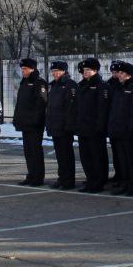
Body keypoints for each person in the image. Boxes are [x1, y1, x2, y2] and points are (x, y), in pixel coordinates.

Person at [106, 61, 133, 196]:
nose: (119, 75)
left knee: (130, 159)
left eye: (122, 73)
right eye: (119, 73)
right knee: (122, 160)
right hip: (117, 130)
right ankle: (124, 183)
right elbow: (113, 110)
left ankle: (132, 186)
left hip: (129, 132)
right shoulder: (118, 88)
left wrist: (132, 130)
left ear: (129, 75)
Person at [74, 58, 110, 193]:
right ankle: (90, 180)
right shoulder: (82, 85)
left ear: (95, 70)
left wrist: (100, 127)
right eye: (84, 70)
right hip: (83, 128)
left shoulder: (101, 86)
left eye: (88, 70)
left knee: (97, 156)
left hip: (95, 128)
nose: (85, 72)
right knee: (86, 157)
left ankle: (98, 182)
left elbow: (103, 109)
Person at [12, 57, 49, 186]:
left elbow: (41, 104)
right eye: (22, 69)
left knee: (35, 151)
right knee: (28, 151)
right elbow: (20, 104)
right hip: (25, 124)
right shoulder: (24, 82)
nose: (23, 71)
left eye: (25, 69)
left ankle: (38, 177)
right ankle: (31, 175)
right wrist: (16, 118)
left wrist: (35, 121)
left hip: (34, 125)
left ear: (32, 69)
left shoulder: (40, 83)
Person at [44, 61, 78, 189]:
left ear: (64, 71)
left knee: (66, 155)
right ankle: (62, 178)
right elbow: (50, 107)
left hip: (65, 127)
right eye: (53, 71)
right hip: (55, 126)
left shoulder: (70, 85)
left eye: (57, 71)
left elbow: (71, 109)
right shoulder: (54, 86)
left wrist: (69, 126)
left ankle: (69, 181)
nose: (54, 73)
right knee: (59, 155)